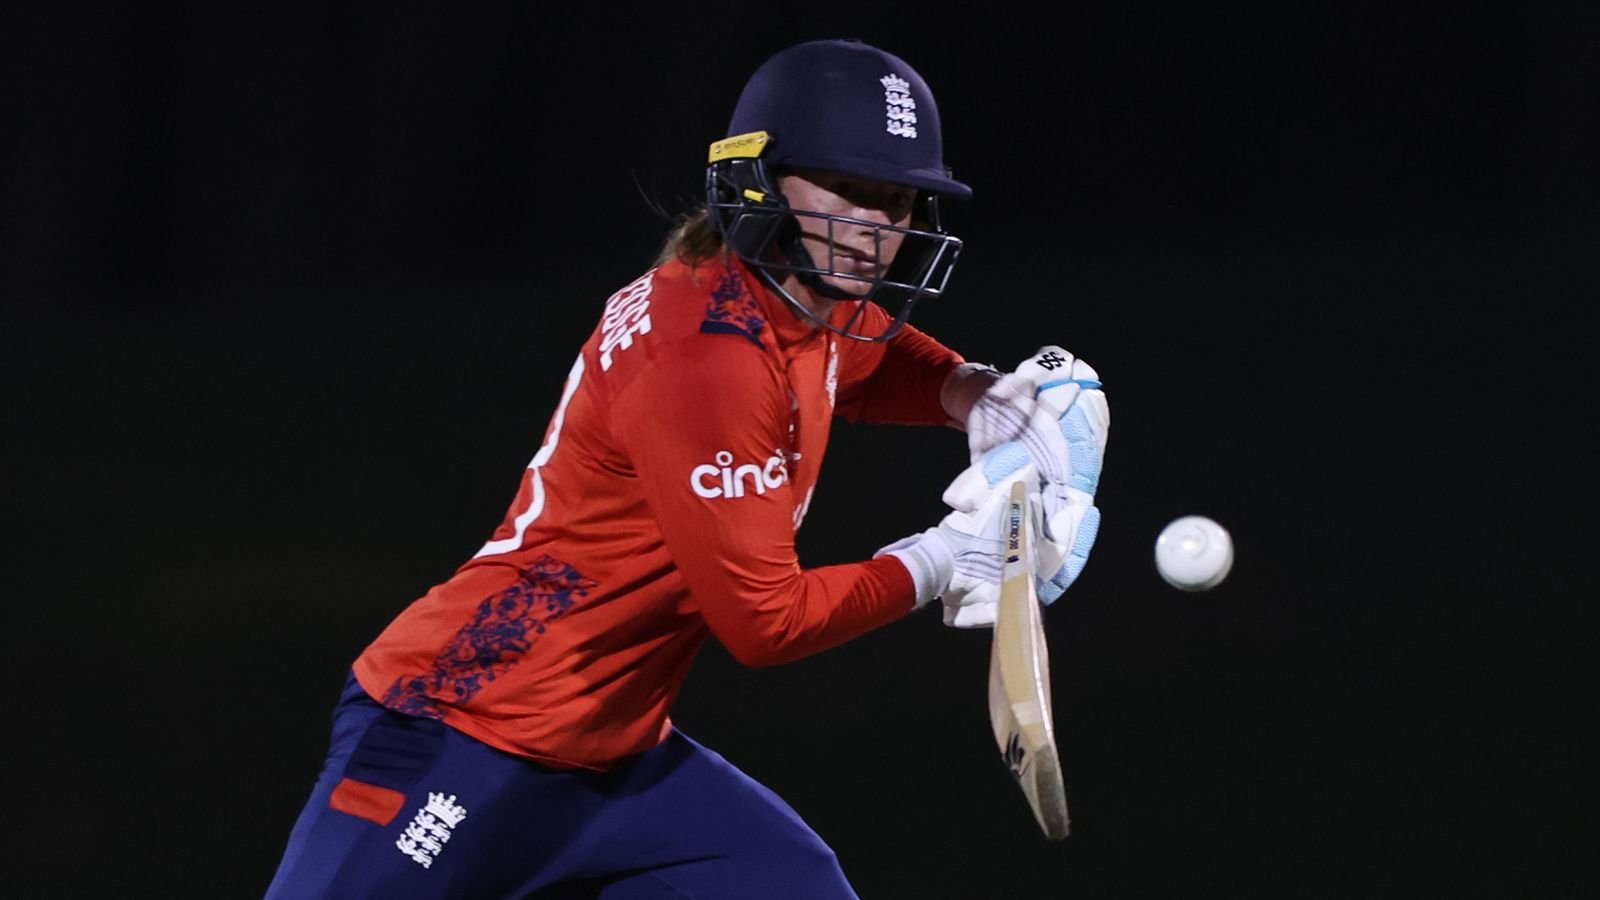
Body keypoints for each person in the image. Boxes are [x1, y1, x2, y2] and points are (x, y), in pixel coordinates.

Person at [264, 37, 1108, 899]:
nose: (878, 229)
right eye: (850, 191)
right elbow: (765, 623)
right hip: (461, 734)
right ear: (761, 179)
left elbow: (862, 363)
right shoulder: (707, 359)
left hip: (611, 764)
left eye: (897, 200)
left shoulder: (782, 300)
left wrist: (975, 393)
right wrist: (941, 557)